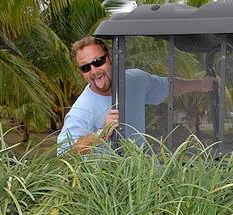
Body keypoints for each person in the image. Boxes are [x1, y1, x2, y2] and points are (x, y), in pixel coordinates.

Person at [58, 36, 216, 155]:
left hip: (141, 177)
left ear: (110, 58)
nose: (93, 71)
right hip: (107, 188)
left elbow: (167, 86)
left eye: (98, 61)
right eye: (85, 67)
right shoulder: (82, 109)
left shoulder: (135, 80)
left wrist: (200, 84)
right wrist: (102, 133)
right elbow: (66, 152)